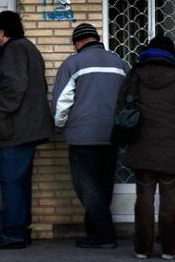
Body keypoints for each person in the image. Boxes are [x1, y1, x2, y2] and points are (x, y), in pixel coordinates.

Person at [0, 10, 54, 249]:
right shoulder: (27, 48)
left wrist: (0, 112)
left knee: (11, 182)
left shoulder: (14, 50)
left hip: (14, 130)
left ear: (2, 31)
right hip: (24, 129)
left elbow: (14, 85)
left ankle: (13, 234)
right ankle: (19, 230)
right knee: (19, 182)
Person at [120, 35, 175, 260]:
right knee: (171, 199)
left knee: (144, 198)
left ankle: (143, 248)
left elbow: (122, 106)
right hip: (173, 148)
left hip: (142, 146)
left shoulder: (135, 74)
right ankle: (170, 248)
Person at [52, 23, 129, 249]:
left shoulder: (73, 63)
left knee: (87, 187)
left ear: (77, 43)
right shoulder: (120, 63)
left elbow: (62, 103)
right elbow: (130, 98)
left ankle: (105, 236)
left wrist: (60, 125)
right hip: (113, 135)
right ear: (96, 39)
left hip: (83, 136)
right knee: (104, 185)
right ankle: (94, 232)